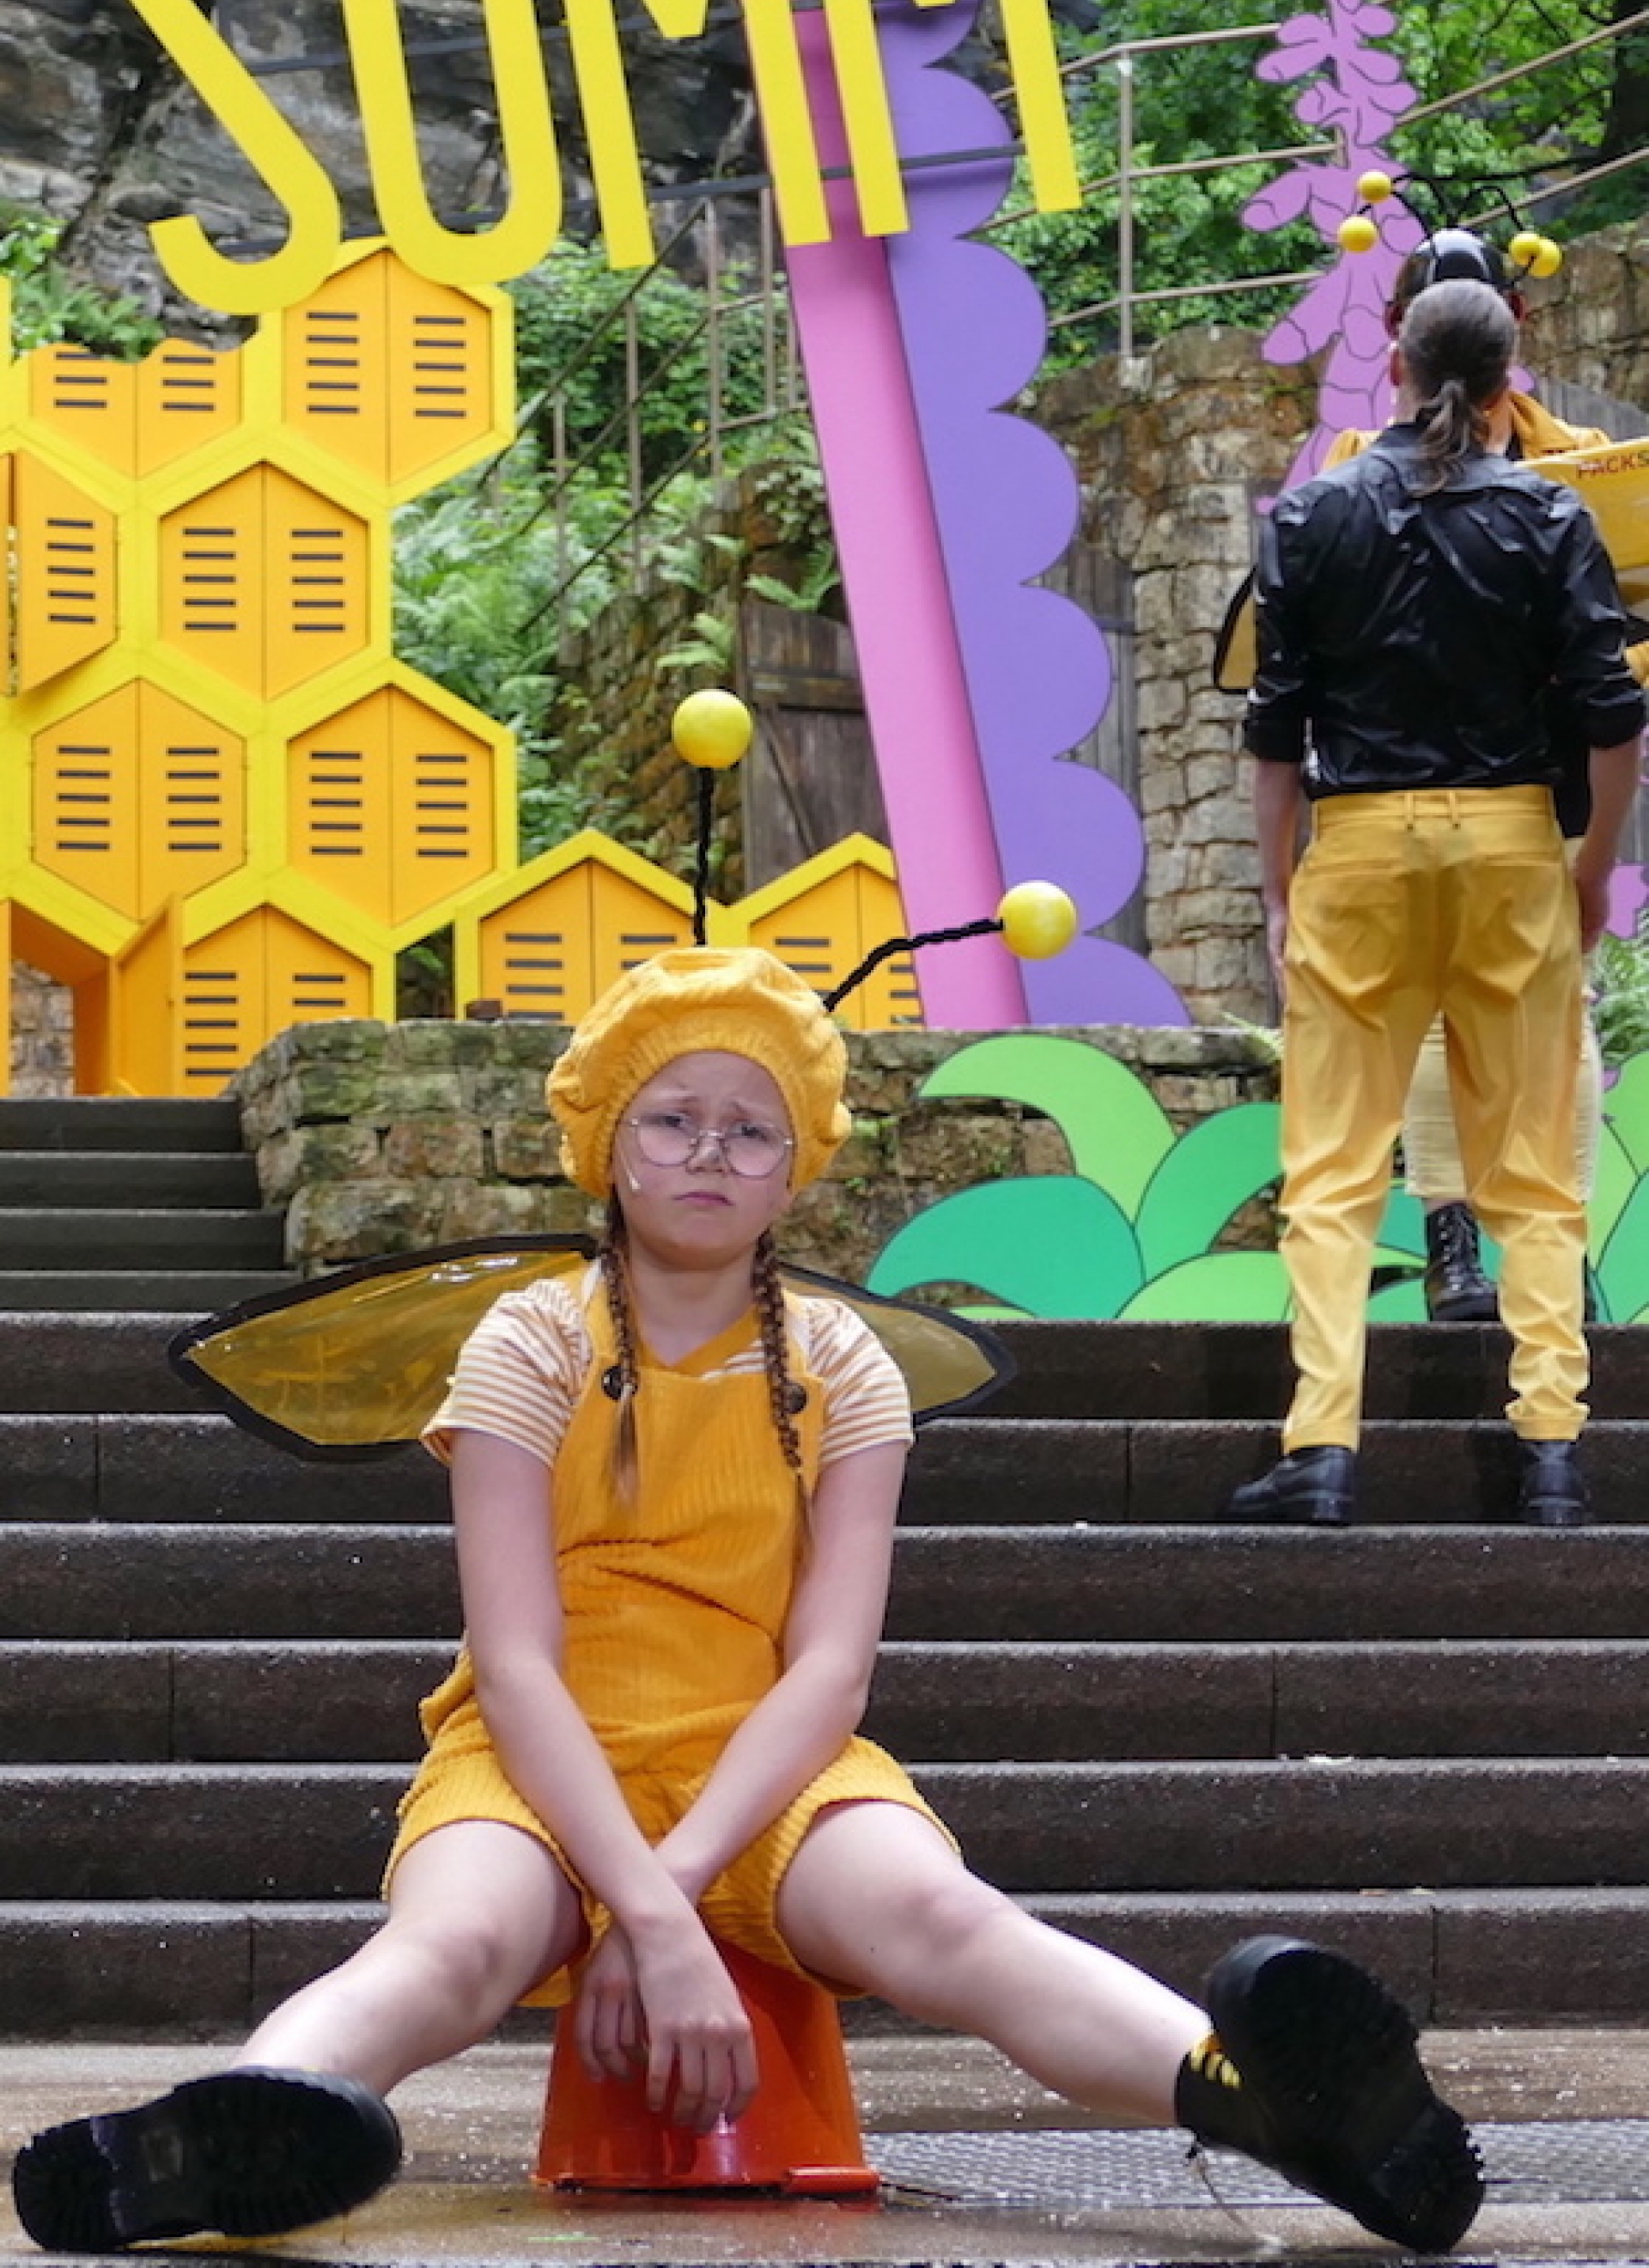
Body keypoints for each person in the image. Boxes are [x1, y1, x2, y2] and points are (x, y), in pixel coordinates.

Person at [14, 942, 1484, 2254]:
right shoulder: (526, 1344)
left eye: (750, 1129)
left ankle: (1274, 2106)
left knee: (944, 1918)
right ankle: (243, 2121)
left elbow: (830, 1670)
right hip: (534, 1762)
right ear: (608, 1146)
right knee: (451, 1946)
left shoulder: (847, 1367)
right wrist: (648, 1914)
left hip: (771, 1763)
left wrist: (666, 1899)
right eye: (673, 1119)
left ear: (795, 1168)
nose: (709, 1152)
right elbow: (516, 1664)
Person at [1231, 277, 1645, 1532]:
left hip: (1360, 854)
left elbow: (1276, 730)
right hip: (1514, 847)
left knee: (1333, 1167)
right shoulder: (1548, 512)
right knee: (1535, 1168)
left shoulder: (1314, 512)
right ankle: (1553, 1448)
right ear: (1513, 374)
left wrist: (1277, 893)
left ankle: (1320, 1447)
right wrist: (1590, 870)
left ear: (1397, 366)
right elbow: (1615, 719)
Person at [1324, 228, 1649, 1326]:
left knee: (1553, 1016)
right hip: (1418, 777)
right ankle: (1455, 1247)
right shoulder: (1356, 470)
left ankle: (1552, 1250)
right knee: (1432, 1009)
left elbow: (1625, 642)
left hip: (1542, 777)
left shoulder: (1587, 466)